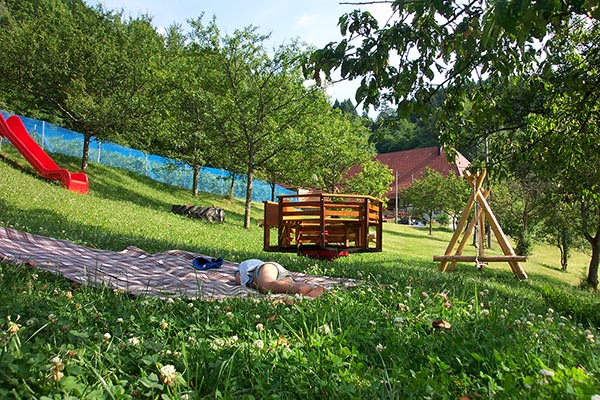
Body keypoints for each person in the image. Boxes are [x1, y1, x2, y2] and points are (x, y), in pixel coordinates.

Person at [234, 259, 326, 298]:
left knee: (267, 285)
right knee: (284, 286)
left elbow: (238, 280)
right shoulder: (249, 265)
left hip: (266, 268)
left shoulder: (243, 267)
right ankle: (313, 289)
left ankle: (300, 288)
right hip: (281, 272)